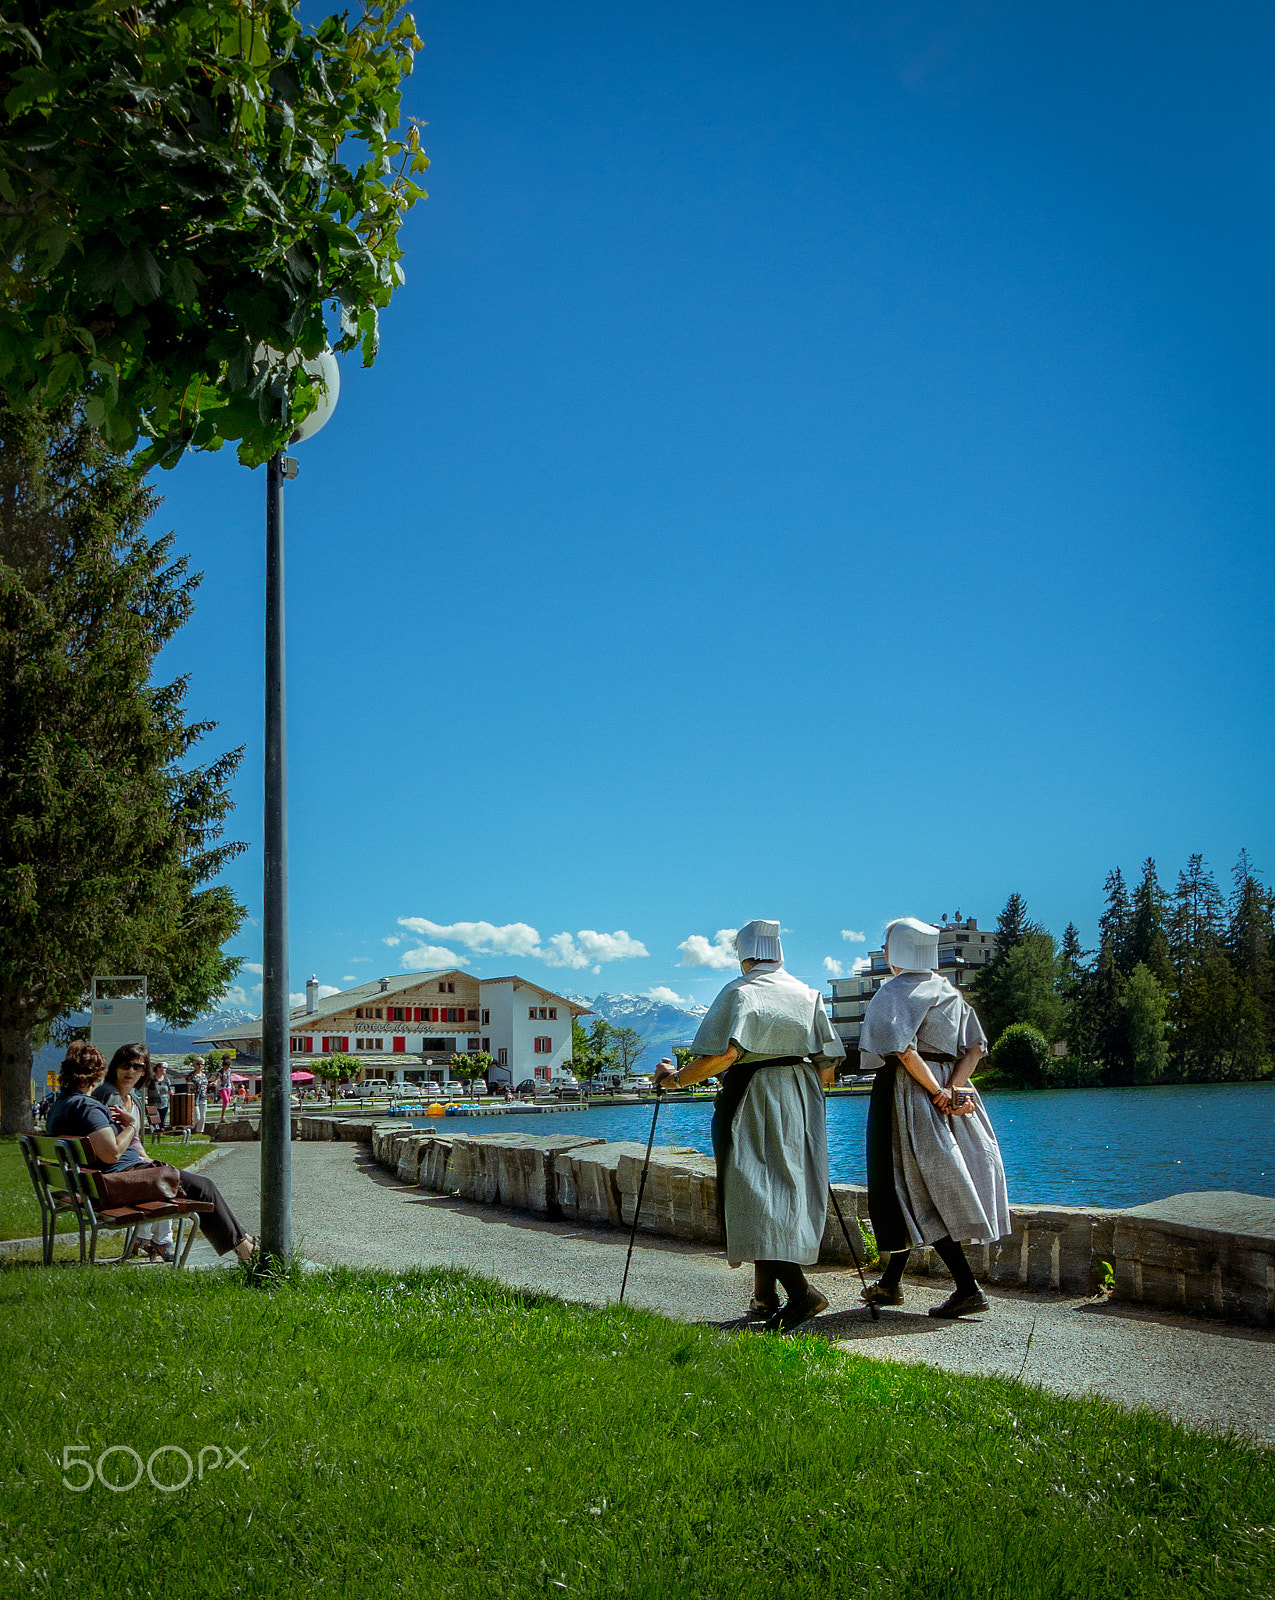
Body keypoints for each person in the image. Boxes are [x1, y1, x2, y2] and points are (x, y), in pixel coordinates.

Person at [653, 920, 845, 1329]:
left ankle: (803, 1294)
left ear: (744, 954)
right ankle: (764, 1295)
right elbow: (828, 1066)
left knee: (751, 1192)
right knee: (787, 1190)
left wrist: (675, 1080)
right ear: (779, 953)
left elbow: (722, 1056)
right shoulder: (808, 994)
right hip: (803, 1099)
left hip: (752, 1096)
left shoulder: (741, 991)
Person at [857, 917, 1010, 1318]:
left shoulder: (892, 993)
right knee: (919, 1185)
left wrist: (936, 1093)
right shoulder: (948, 990)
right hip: (951, 1093)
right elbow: (975, 1048)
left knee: (912, 1185)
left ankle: (967, 1287)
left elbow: (904, 1051)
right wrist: (955, 1088)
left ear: (896, 951)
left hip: (910, 1093)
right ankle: (891, 1284)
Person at [46, 1040, 257, 1264]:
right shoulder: (87, 1107)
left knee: (198, 1185)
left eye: (137, 1067)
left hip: (101, 1181)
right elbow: (112, 1153)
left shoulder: (60, 1105)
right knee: (203, 1188)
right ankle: (246, 1251)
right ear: (98, 1073)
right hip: (117, 1181)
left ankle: (244, 1243)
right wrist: (131, 1127)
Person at [187, 1059, 208, 1135]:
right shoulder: (191, 1076)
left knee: (203, 1117)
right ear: (194, 1065)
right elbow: (188, 1086)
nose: (200, 1066)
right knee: (197, 1117)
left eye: (202, 1064)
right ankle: (189, 1128)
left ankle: (199, 1132)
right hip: (194, 1098)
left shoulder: (204, 1075)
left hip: (203, 1097)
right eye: (198, 1064)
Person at [148, 1061, 171, 1131]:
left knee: (162, 1121)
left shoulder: (166, 1080)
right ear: (157, 1068)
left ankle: (161, 1133)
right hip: (153, 1103)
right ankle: (154, 1133)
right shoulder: (151, 1079)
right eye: (161, 1067)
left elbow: (169, 1091)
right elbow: (146, 1089)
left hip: (164, 1103)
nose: (163, 1069)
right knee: (155, 1120)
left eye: (164, 1068)